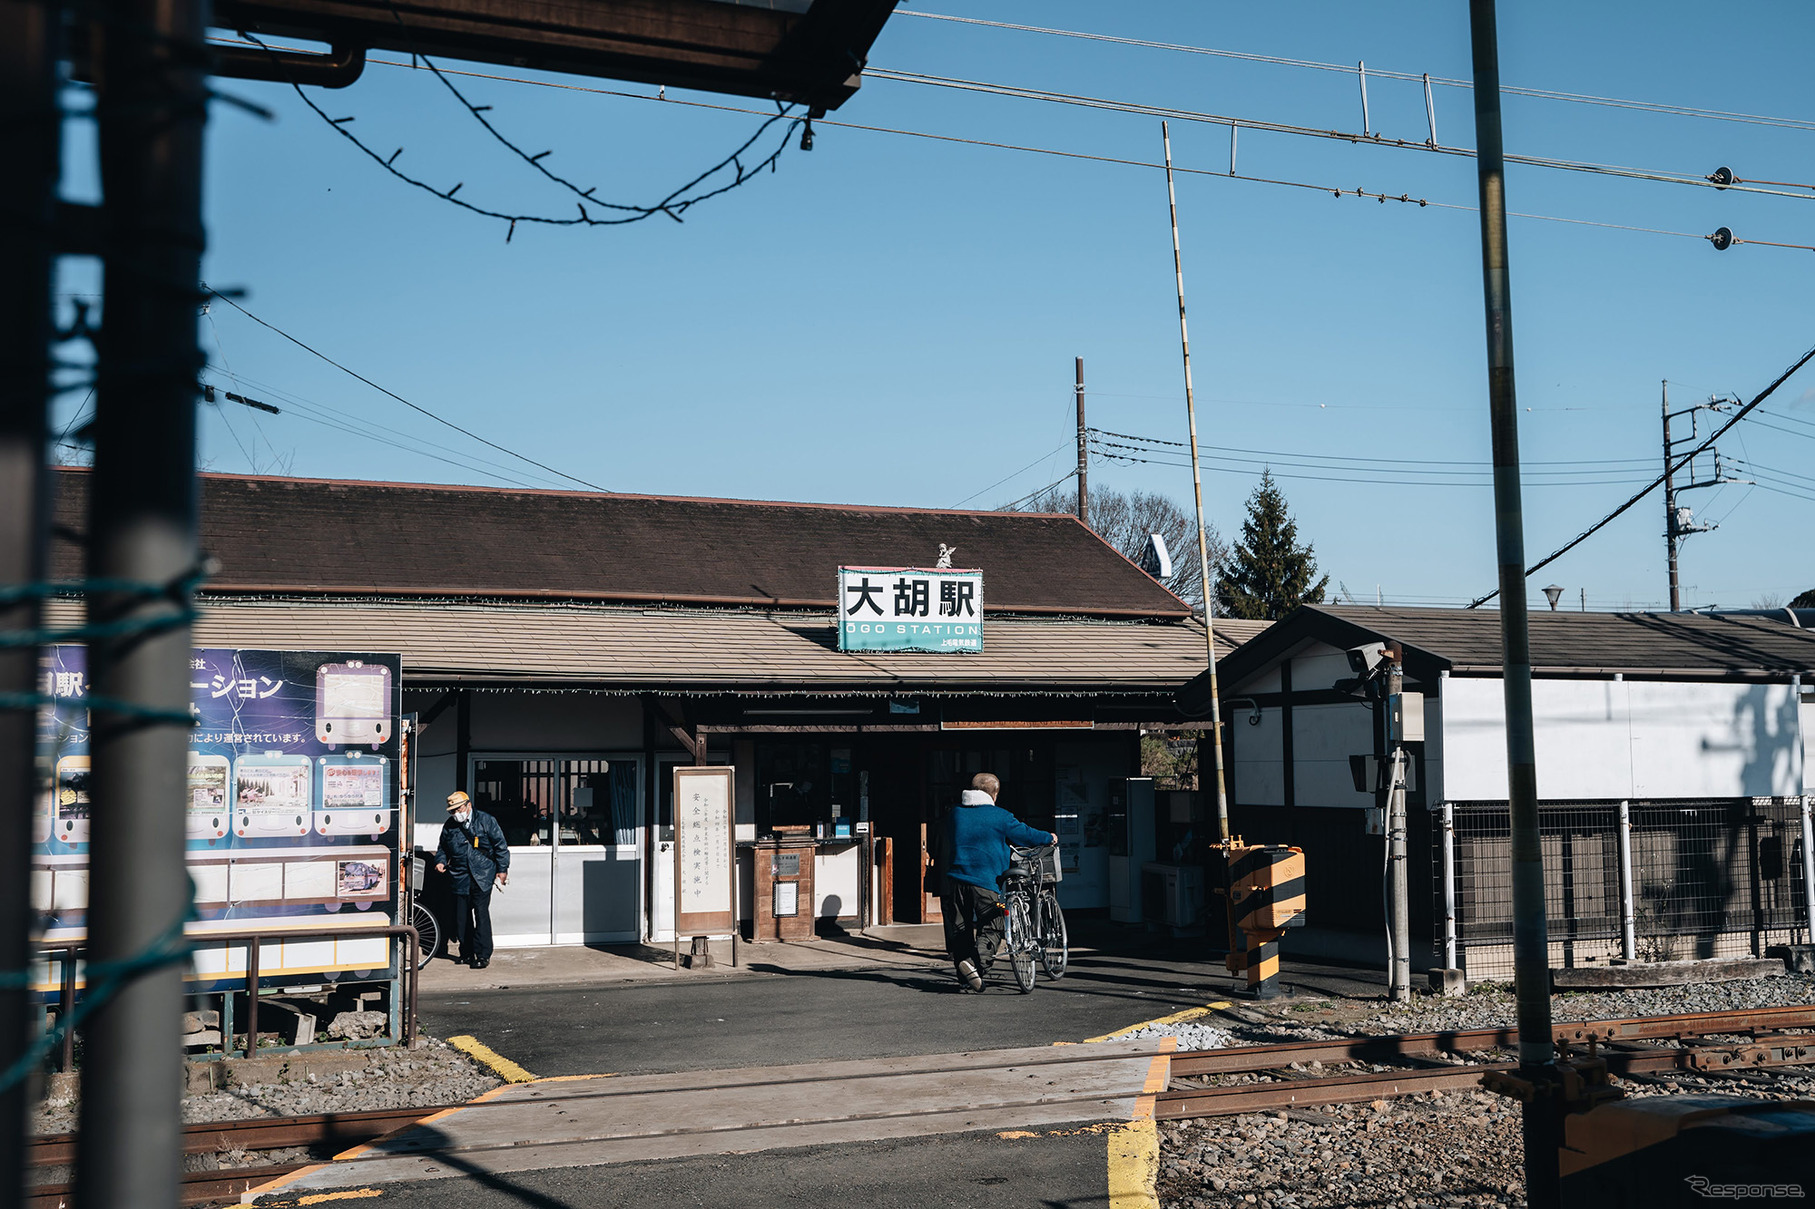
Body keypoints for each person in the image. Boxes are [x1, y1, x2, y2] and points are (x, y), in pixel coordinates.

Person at [936, 772, 1056, 993]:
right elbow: (1026, 835)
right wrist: (1049, 837)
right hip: (985, 881)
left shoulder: (955, 815)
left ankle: (964, 978)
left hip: (955, 881)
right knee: (993, 925)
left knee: (961, 929)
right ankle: (975, 965)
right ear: (995, 793)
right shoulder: (1000, 816)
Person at [436, 790, 510, 969]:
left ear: (468, 805)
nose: (455, 814)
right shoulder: (450, 825)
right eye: (452, 811)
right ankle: (466, 952)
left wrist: (502, 869)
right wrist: (440, 861)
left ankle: (483, 954)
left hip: (482, 875)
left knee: (481, 914)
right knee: (462, 917)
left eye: (458, 809)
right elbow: (442, 848)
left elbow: (500, 846)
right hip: (459, 875)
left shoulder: (486, 820)